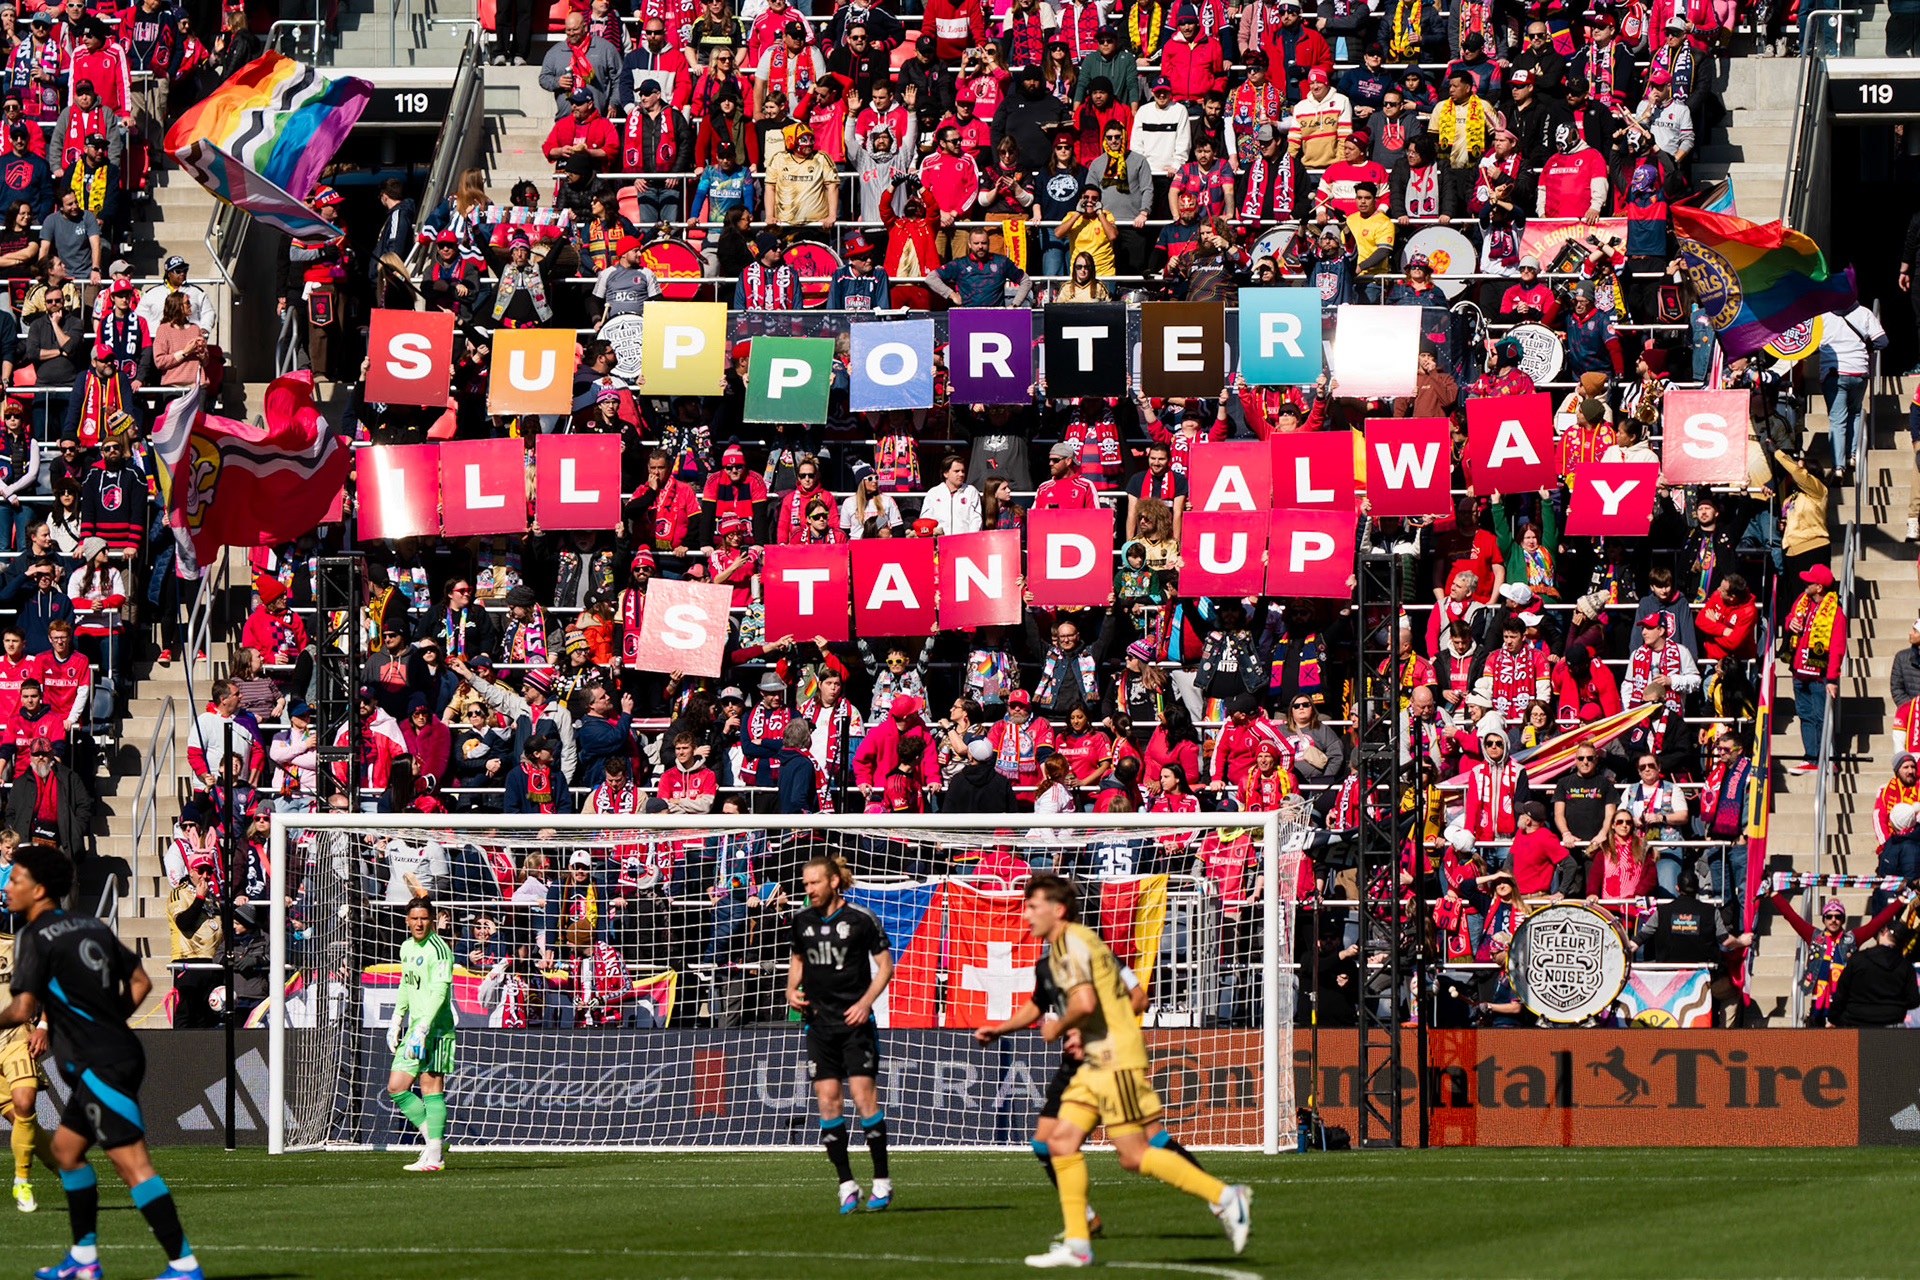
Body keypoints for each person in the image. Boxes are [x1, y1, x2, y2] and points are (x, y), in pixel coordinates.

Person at [1020, 874, 1250, 1267]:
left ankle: (1226, 1197)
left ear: (1057, 910)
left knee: (1136, 1152)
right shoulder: (1071, 947)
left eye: (1032, 906)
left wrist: (1066, 1026)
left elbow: (1118, 998)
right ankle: (1079, 1241)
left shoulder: (1074, 948)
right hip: (1092, 1063)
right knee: (1058, 1142)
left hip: (1114, 1059)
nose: (1026, 915)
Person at [0, 842, 206, 1280]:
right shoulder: (88, 925)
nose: (7, 886)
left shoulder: (33, 935)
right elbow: (138, 981)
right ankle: (83, 1259)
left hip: (100, 1063)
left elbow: (21, 1009)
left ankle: (184, 1265)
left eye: (15, 878)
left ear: (38, 890)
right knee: (65, 1151)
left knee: (132, 1164)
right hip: (110, 1053)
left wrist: (94, 1031)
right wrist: (108, 1023)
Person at [786, 854, 894, 1214]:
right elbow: (797, 960)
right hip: (818, 1025)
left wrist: (865, 1003)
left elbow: (885, 966)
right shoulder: (801, 921)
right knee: (828, 1100)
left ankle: (882, 1181)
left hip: (855, 1025)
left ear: (833, 881)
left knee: (864, 1097)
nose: (808, 889)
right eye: (805, 884)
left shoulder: (861, 919)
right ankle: (847, 1184)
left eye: (814, 883)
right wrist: (790, 990)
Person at [386, 894, 455, 1173]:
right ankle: (434, 1142)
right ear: (407, 921)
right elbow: (406, 984)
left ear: (432, 920)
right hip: (415, 1028)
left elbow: (440, 991)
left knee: (430, 1089)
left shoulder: (439, 950)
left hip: (435, 1029)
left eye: (424, 918)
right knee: (396, 1087)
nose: (419, 923)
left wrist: (424, 1026)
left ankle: (435, 1156)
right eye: (414, 918)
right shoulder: (406, 947)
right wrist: (396, 1019)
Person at [1784, 564, 1844, 773]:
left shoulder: (1836, 613)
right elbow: (1789, 617)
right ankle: (1811, 758)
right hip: (1800, 671)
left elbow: (1837, 648)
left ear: (1819, 587)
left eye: (1809, 581)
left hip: (1820, 676)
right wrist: (1790, 622)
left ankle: (1827, 759)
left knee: (1821, 718)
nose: (1805, 583)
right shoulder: (1803, 602)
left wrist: (1833, 680)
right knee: (1805, 716)